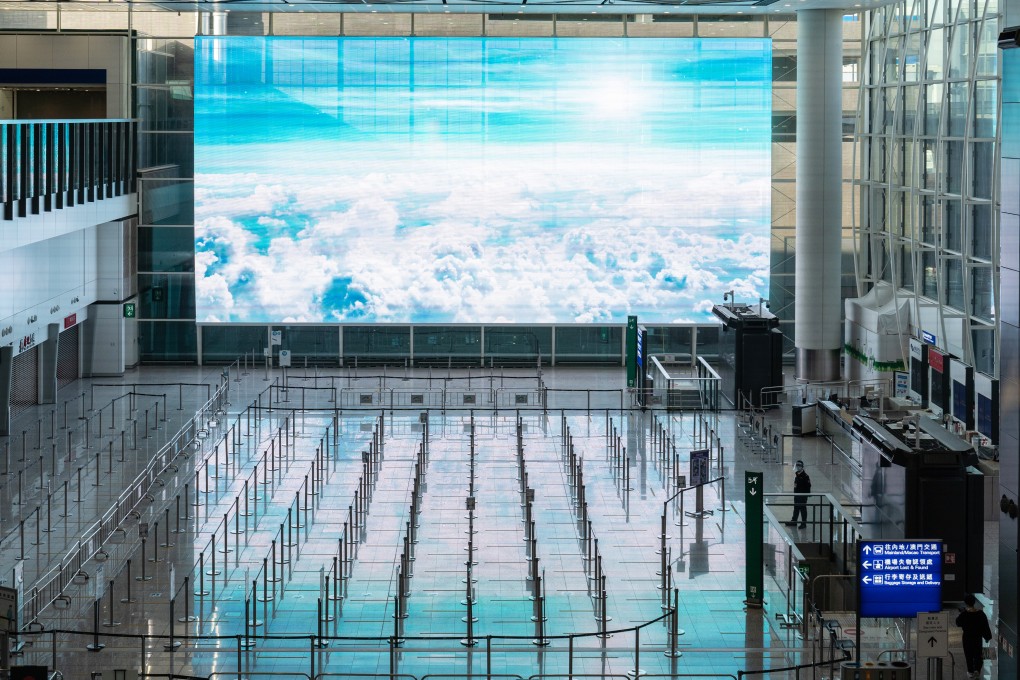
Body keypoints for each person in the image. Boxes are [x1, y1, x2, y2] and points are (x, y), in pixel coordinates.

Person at [956, 593, 992, 678]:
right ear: (974, 602)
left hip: (967, 638)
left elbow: (958, 623)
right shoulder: (981, 614)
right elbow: (985, 626)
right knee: (978, 654)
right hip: (977, 638)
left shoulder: (964, 614)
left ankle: (970, 671)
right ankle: (977, 670)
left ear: (965, 603)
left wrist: (963, 612)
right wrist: (987, 637)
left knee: (968, 655)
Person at [784, 460, 811, 528]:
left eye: (798, 466)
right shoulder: (797, 474)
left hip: (802, 496)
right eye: (797, 466)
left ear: (801, 467)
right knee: (796, 508)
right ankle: (794, 521)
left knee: (802, 509)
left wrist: (805, 496)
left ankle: (804, 523)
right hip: (797, 495)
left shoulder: (805, 476)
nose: (797, 468)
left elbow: (808, 486)